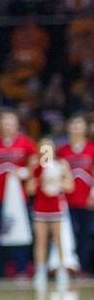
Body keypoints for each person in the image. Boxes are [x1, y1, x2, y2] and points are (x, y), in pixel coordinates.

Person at [0, 109, 37, 279]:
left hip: (19, 197)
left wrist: (26, 173)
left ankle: (21, 267)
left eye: (11, 122)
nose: (8, 126)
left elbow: (35, 165)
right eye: (4, 122)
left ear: (17, 124)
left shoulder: (26, 143)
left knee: (21, 231)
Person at [28, 138, 75, 286]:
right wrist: (41, 180)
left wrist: (57, 183)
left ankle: (61, 269)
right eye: (42, 148)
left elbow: (70, 186)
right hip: (40, 207)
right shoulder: (35, 166)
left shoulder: (61, 164)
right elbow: (29, 189)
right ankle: (40, 271)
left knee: (58, 240)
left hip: (56, 206)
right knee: (40, 241)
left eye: (48, 147)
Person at [58, 114, 94, 273]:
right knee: (69, 234)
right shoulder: (61, 150)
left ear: (85, 128)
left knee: (86, 234)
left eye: (79, 124)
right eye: (73, 125)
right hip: (66, 200)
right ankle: (71, 266)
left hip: (88, 199)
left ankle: (85, 267)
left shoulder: (92, 148)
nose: (76, 128)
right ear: (68, 128)